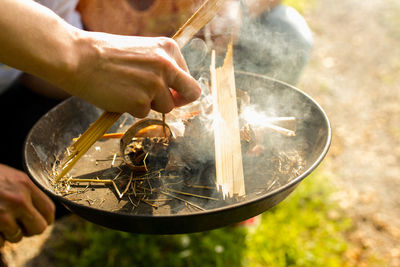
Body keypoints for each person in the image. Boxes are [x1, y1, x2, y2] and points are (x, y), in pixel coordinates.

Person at [0, 0, 312, 247]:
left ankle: (218, 177)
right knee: (53, 165)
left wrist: (235, 5)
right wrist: (85, 59)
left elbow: (42, 61)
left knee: (286, 31)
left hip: (43, 67)